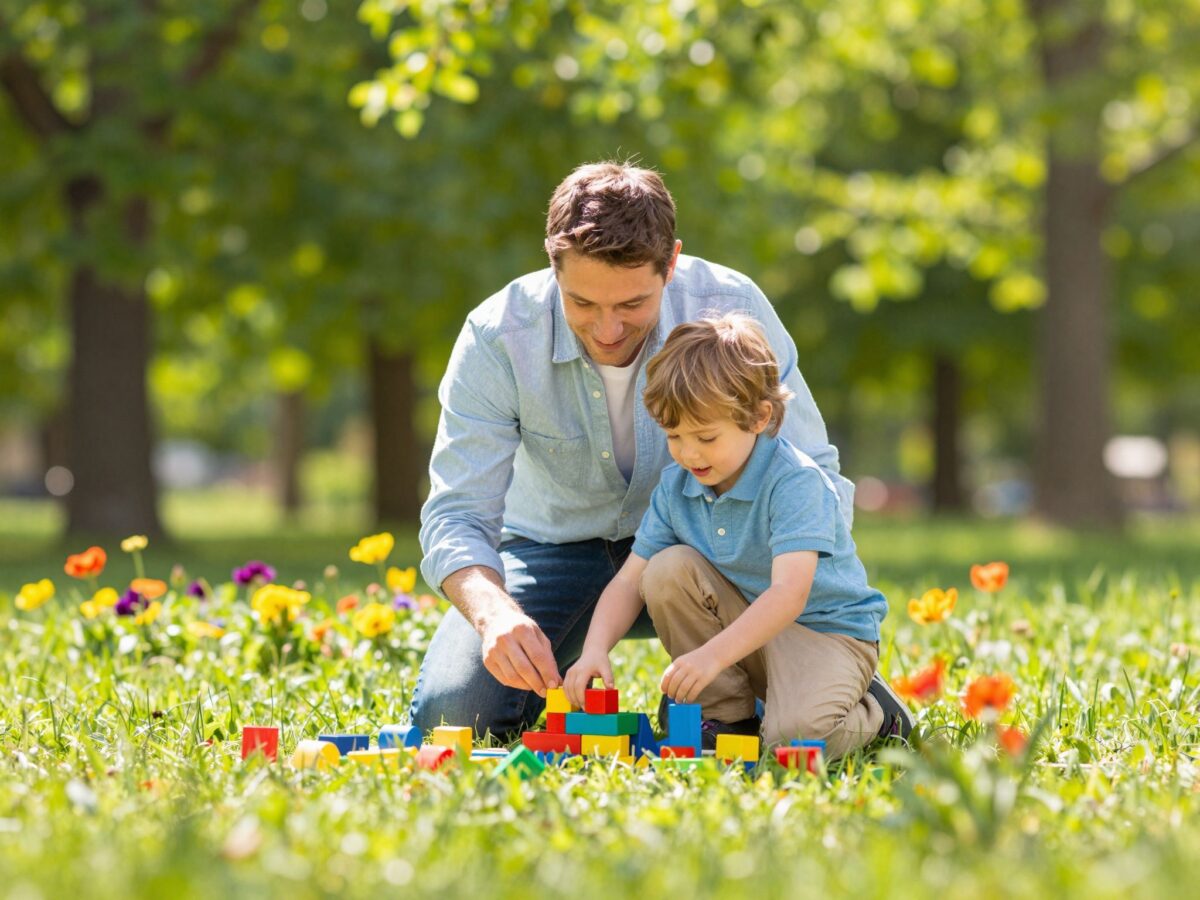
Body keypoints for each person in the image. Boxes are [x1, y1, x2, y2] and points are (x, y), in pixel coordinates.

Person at [412, 160, 864, 740]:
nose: (605, 330)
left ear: (670, 263)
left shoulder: (732, 308)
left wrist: (804, 614)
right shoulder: (498, 335)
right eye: (581, 304)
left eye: (630, 305)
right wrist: (494, 612)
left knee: (800, 719)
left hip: (714, 549)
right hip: (554, 551)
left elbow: (812, 472)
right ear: (553, 268)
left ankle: (829, 691)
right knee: (454, 713)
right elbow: (456, 514)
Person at [563, 314, 912, 755]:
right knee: (666, 569)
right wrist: (594, 647)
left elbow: (789, 595)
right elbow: (631, 580)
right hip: (746, 633)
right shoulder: (677, 487)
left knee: (795, 743)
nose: (689, 453)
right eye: (674, 435)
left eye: (706, 437)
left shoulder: (794, 483)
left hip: (826, 636)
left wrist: (711, 656)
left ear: (759, 418)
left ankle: (879, 718)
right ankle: (726, 718)